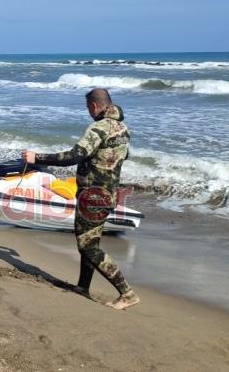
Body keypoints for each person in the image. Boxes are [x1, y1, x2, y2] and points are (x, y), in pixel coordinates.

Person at [21, 88, 140, 310]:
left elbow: (75, 155)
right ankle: (83, 287)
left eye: (88, 108)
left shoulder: (98, 127)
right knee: (90, 242)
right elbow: (121, 157)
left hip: (93, 196)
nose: (88, 112)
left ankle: (127, 293)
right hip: (108, 195)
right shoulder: (123, 129)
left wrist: (37, 157)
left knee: (87, 247)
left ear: (94, 106)